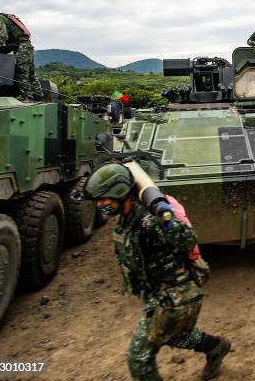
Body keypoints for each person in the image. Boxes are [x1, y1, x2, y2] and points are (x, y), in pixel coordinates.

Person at [83, 163, 230, 381]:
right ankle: (217, 346)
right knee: (177, 336)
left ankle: (216, 346)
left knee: (139, 357)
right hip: (160, 295)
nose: (101, 205)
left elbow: (188, 238)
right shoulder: (129, 216)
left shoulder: (149, 220)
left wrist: (168, 221)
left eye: (104, 199)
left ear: (120, 193)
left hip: (176, 299)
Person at [0, 7, 43, 101]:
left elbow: (2, 36)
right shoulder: (3, 19)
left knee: (21, 72)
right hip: (27, 47)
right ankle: (38, 95)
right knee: (30, 73)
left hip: (22, 47)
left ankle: (27, 97)